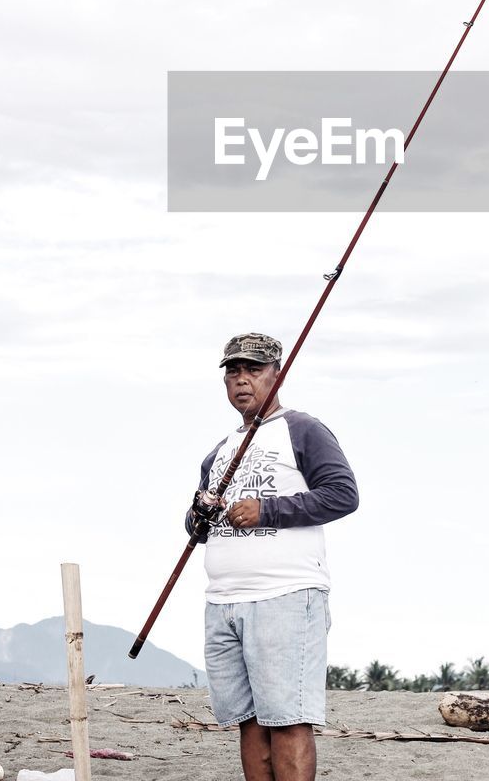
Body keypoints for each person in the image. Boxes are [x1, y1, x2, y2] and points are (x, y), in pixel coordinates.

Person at [186, 331, 359, 781]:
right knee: (248, 721)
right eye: (233, 372)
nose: (242, 380)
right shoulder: (219, 451)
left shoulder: (303, 430)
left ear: (277, 374)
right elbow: (198, 530)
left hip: (284, 594)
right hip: (223, 599)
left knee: (288, 719)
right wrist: (196, 515)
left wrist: (268, 510)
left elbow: (343, 495)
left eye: (254, 370)